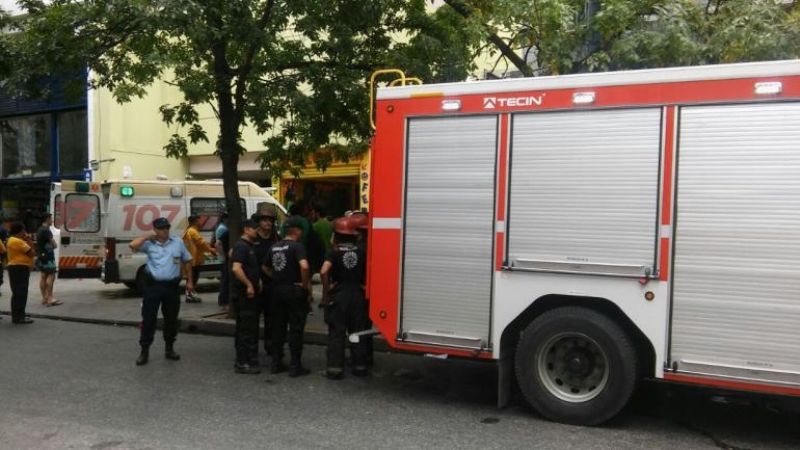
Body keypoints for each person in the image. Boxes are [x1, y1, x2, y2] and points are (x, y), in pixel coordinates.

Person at [130, 217, 193, 366]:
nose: (165, 230)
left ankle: (169, 348)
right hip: (153, 287)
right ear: (155, 230)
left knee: (171, 319)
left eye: (167, 227)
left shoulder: (177, 242)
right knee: (148, 319)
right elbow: (132, 245)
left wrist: (190, 281)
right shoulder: (149, 244)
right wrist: (147, 237)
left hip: (171, 287)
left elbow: (187, 260)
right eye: (161, 228)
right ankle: (144, 351)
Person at [320, 217, 369, 379]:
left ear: (337, 235)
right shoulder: (362, 252)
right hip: (358, 295)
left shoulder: (333, 252)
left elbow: (324, 271)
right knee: (358, 332)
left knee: (337, 332)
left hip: (339, 295)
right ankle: (360, 366)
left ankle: (335, 368)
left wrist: (327, 290)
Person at [265, 217, 312, 377]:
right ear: (297, 231)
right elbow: (304, 266)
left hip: (277, 290)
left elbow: (265, 267)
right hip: (294, 290)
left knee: (278, 327)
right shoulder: (297, 246)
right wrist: (304, 285)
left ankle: (276, 363)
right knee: (296, 328)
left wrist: (277, 276)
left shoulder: (274, 246)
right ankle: (295, 365)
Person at [230, 219, 263, 374]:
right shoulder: (241, 246)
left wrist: (258, 281)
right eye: (255, 228)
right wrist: (249, 284)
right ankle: (242, 362)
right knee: (245, 328)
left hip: (251, 294)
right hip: (244, 295)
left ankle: (249, 358)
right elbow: (236, 268)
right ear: (246, 229)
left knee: (249, 327)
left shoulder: (249, 246)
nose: (257, 231)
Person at [251, 208, 279, 358]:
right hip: (255, 284)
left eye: (270, 220)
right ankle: (252, 348)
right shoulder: (252, 238)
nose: (268, 223)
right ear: (259, 222)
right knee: (253, 318)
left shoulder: (276, 238)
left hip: (272, 284)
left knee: (272, 318)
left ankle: (271, 345)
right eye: (265, 220)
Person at [182, 215, 217, 303]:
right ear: (194, 222)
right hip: (193, 260)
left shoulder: (189, 230)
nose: (200, 223)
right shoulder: (192, 231)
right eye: (198, 221)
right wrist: (210, 249)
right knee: (193, 278)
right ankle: (190, 296)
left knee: (191, 279)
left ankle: (190, 295)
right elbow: (201, 242)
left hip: (193, 259)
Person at [6, 222, 35, 324]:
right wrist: (29, 239)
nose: (25, 232)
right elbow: (32, 253)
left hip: (17, 268)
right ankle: (19, 317)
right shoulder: (17, 241)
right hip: (19, 268)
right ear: (21, 230)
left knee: (18, 293)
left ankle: (18, 315)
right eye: (24, 230)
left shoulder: (13, 240)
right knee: (21, 293)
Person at [36, 213, 62, 307]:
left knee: (43, 276)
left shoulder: (39, 229)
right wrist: (54, 245)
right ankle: (50, 297)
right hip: (48, 256)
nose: (52, 220)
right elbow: (53, 243)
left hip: (41, 255)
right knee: (51, 275)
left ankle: (44, 298)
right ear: (47, 219)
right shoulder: (46, 230)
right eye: (51, 219)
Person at [213, 212, 230, 310]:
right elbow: (218, 244)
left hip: (222, 258)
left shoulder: (222, 227)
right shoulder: (223, 228)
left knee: (224, 280)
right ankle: (223, 300)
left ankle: (222, 300)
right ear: (224, 219)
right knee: (224, 280)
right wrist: (223, 256)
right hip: (223, 259)